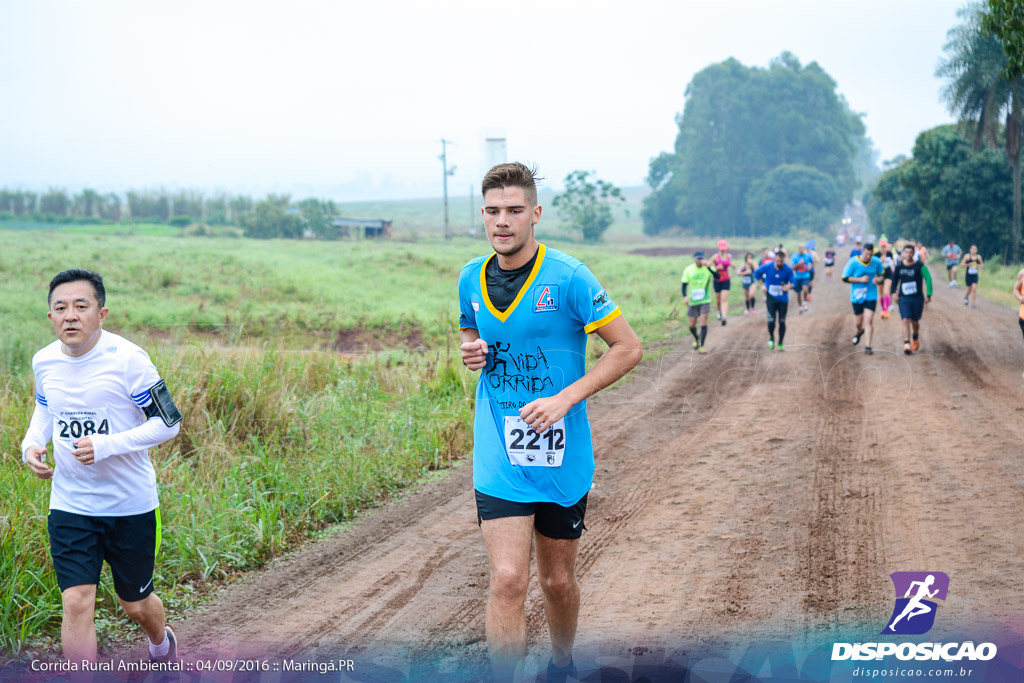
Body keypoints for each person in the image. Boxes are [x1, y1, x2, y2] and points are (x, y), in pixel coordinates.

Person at [458, 163, 642, 682]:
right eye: (493, 211)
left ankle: (561, 665)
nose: (502, 221)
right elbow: (472, 335)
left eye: (514, 210)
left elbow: (627, 348)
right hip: (499, 447)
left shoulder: (569, 277)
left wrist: (565, 399)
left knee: (557, 582)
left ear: (535, 214)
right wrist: (473, 354)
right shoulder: (469, 278)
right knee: (509, 580)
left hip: (562, 452)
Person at [20, 269, 182, 665]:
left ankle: (162, 647)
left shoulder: (129, 359)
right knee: (76, 601)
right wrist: (32, 443)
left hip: (130, 507)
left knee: (135, 603)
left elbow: (169, 423)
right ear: (51, 317)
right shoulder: (44, 361)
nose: (70, 315)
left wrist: (108, 445)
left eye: (81, 306)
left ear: (102, 314)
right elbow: (45, 409)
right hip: (72, 506)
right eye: (61, 307)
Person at [841, 243, 885, 355]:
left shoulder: (876, 262)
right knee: (858, 322)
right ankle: (860, 331)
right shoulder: (853, 262)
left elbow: (882, 275)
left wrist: (879, 280)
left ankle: (868, 346)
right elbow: (845, 278)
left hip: (871, 295)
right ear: (862, 252)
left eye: (871, 254)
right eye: (867, 254)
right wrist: (860, 280)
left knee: (869, 320)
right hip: (857, 295)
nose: (869, 256)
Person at [891, 244, 933, 354]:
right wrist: (893, 293)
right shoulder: (899, 267)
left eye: (911, 252)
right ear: (903, 253)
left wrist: (929, 294)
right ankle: (906, 343)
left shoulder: (919, 266)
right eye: (906, 252)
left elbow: (928, 278)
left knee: (915, 321)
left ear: (914, 253)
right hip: (904, 298)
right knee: (905, 320)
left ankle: (915, 337)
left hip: (917, 298)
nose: (908, 254)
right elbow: (894, 280)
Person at [754, 250, 794, 351]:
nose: (779, 263)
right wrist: (762, 284)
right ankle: (771, 337)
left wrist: (788, 286)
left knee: (782, 321)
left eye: (781, 261)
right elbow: (756, 273)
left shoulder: (788, 269)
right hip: (771, 298)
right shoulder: (768, 266)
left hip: (783, 300)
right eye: (777, 261)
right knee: (771, 320)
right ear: (774, 259)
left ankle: (780, 342)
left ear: (784, 260)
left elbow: (794, 282)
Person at [681, 250, 716, 353]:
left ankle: (701, 345)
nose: (700, 261)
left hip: (705, 300)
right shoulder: (689, 269)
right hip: (692, 301)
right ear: (694, 259)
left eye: (702, 258)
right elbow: (684, 285)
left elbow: (717, 277)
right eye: (698, 258)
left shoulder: (707, 268)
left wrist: (709, 267)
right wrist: (685, 296)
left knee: (703, 320)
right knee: (691, 325)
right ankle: (696, 337)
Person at [710, 240, 733, 325]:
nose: (723, 250)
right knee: (718, 299)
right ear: (719, 248)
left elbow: (729, 264)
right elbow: (708, 267)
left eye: (724, 249)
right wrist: (716, 268)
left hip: (726, 280)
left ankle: (724, 317)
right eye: (721, 249)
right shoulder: (715, 257)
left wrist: (732, 265)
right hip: (717, 280)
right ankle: (720, 312)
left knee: (724, 299)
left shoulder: (729, 256)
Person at [877, 239, 896, 320]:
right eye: (882, 246)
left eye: (885, 246)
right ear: (879, 246)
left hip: (888, 275)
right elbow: (874, 266)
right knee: (881, 294)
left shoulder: (889, 253)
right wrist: (880, 261)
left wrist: (894, 264)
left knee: (886, 292)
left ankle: (886, 310)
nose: (884, 248)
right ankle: (883, 309)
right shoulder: (876, 255)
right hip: (880, 276)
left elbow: (893, 263)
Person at [790, 244, 812, 313]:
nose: (801, 249)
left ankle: (804, 302)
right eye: (800, 248)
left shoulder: (807, 255)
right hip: (797, 277)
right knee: (798, 293)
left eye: (802, 248)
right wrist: (798, 264)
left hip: (806, 276)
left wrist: (810, 267)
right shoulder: (794, 256)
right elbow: (792, 267)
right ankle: (800, 307)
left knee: (805, 289)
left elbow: (811, 262)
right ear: (798, 248)